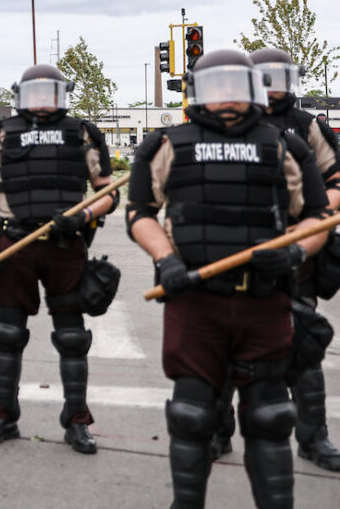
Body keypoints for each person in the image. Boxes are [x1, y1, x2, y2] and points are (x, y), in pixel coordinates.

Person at [128, 49, 331, 507]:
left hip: (264, 302)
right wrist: (166, 260)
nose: (227, 99)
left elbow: (317, 217)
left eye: (237, 88)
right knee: (192, 415)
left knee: (270, 416)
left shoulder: (285, 145)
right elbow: (140, 213)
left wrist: (296, 250)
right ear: (198, 92)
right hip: (195, 302)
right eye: (216, 88)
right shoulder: (166, 143)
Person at [0, 63, 117, 454]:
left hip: (65, 247)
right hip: (13, 246)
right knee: (7, 333)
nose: (42, 100)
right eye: (34, 92)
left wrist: (82, 216)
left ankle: (77, 421)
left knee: (71, 336)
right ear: (20, 95)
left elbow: (108, 193)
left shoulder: (82, 133)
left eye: (51, 92)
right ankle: (4, 417)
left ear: (61, 95)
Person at [207, 48, 340, 472]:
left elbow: (335, 185)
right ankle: (216, 432)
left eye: (281, 78)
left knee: (301, 348)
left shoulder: (306, 126)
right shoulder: (220, 122)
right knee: (222, 350)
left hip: (293, 257)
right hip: (227, 255)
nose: (273, 87)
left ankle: (314, 438)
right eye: (265, 78)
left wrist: (303, 231)